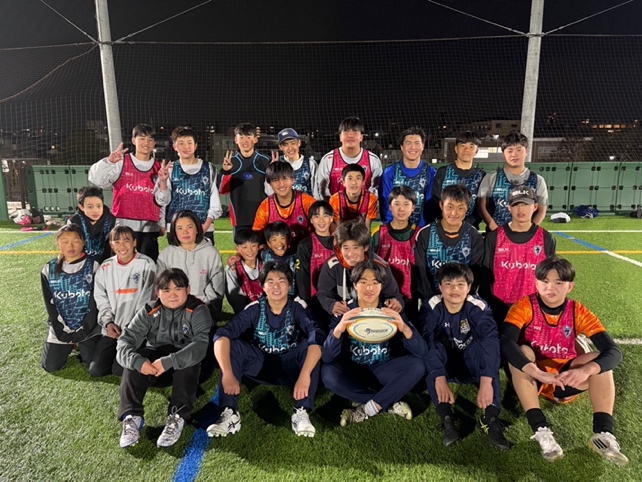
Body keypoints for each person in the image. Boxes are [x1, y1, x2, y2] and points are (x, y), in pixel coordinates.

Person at [501, 257, 628, 465]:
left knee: (599, 361)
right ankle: (541, 430)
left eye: (558, 282)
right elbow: (506, 342)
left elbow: (614, 351)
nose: (550, 287)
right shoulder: (524, 306)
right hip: (533, 377)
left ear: (570, 286)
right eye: (544, 281)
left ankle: (603, 434)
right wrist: (539, 373)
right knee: (522, 351)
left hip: (564, 379)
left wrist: (585, 370)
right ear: (536, 282)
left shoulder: (578, 311)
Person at [207, 261, 324, 438]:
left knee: (311, 344)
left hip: (289, 367)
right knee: (233, 345)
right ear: (262, 286)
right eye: (270, 281)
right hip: (259, 366)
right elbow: (221, 335)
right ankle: (230, 413)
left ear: (289, 285)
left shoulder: (297, 306)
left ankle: (301, 412)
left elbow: (317, 335)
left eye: (282, 281)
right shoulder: (255, 308)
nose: (276, 286)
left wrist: (305, 374)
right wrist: (228, 373)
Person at [321, 260, 426, 426]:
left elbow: (421, 352)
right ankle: (386, 403)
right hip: (354, 371)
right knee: (328, 373)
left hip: (383, 370)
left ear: (382, 285)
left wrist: (404, 327)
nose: (369, 288)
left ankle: (368, 408)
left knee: (418, 365)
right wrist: (339, 328)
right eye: (363, 282)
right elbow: (327, 357)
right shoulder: (345, 311)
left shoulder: (390, 309)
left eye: (375, 282)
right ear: (354, 285)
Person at [117, 268, 213, 448]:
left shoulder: (198, 309)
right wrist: (138, 362)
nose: (172, 295)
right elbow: (125, 340)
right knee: (135, 360)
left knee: (188, 361)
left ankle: (177, 416)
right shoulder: (149, 309)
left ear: (188, 289)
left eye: (178, 288)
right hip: (157, 368)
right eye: (166, 290)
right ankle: (132, 417)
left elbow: (200, 346)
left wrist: (169, 361)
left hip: (194, 368)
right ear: (157, 293)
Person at [420, 263, 509, 450]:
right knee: (432, 351)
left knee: (485, 351)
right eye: (448, 284)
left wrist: (486, 380)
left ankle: (490, 418)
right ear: (440, 286)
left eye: (460, 284)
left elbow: (490, 341)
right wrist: (439, 376)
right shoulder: (432, 304)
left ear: (469, 287)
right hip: (445, 365)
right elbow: (428, 342)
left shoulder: (478, 306)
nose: (454, 289)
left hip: (470, 362)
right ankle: (447, 418)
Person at [88, 124, 166, 261]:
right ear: (133, 140)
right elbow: (97, 180)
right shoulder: (121, 162)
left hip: (149, 228)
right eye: (142, 138)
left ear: (154, 143)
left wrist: (162, 223)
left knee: (148, 267)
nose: (146, 143)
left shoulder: (159, 168)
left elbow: (163, 199)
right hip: (122, 226)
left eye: (150, 140)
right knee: (120, 266)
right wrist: (109, 162)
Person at [482, 185, 556, 325]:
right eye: (516, 205)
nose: (521, 209)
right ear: (509, 207)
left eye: (525, 204)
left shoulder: (546, 239)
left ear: (535, 207)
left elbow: (551, 277)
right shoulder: (494, 237)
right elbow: (485, 277)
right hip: (499, 308)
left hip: (532, 309)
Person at [90, 226, 156, 377]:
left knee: (119, 370)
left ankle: (142, 349)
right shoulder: (105, 267)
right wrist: (108, 323)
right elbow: (101, 299)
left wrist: (133, 327)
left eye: (126, 240)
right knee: (96, 370)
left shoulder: (147, 264)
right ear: (111, 245)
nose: (122, 245)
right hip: (113, 328)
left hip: (136, 329)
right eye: (117, 241)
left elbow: (149, 300)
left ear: (134, 242)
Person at [40, 224, 100, 372]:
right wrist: (62, 330)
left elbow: (95, 303)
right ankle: (70, 344)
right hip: (62, 327)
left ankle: (82, 344)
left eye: (76, 241)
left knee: (95, 366)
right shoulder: (48, 269)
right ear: (58, 243)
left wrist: (84, 329)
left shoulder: (94, 266)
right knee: (51, 366)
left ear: (83, 242)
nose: (70, 246)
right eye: (65, 241)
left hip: (89, 327)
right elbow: (50, 305)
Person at [317, 220, 404, 318]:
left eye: (355, 247)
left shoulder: (381, 266)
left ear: (365, 247)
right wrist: (331, 305)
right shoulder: (331, 266)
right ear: (339, 248)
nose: (350, 253)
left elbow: (394, 296)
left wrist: (396, 303)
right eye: (346, 248)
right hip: (343, 317)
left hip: (375, 317)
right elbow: (323, 294)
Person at [414, 185, 484, 303]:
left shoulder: (474, 235)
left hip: (463, 303)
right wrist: (432, 301)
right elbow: (421, 274)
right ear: (441, 205)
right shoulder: (425, 234)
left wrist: (463, 301)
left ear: (467, 208)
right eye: (449, 207)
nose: (454, 213)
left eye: (460, 208)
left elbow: (475, 273)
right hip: (432, 302)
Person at [157, 126, 222, 242]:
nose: (186, 147)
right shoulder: (170, 169)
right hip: (176, 229)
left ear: (195, 145)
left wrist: (204, 227)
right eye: (181, 143)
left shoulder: (209, 168)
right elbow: (162, 201)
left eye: (189, 143)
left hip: (204, 227)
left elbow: (215, 201)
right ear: (174, 146)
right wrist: (162, 181)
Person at [157, 210, 224, 322]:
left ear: (197, 229)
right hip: (173, 309)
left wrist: (204, 302)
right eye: (179, 228)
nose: (185, 232)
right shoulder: (166, 255)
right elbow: (160, 285)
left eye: (189, 227)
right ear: (174, 231)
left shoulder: (211, 253)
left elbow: (218, 285)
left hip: (203, 308)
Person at [478, 131, 548, 231]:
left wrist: (528, 232)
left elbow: (541, 211)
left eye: (519, 150)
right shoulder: (491, 178)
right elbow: (482, 208)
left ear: (526, 151)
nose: (514, 154)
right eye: (510, 151)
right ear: (503, 154)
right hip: (495, 235)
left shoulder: (538, 180)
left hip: (525, 236)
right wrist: (497, 232)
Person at [371, 186, 419, 319]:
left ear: (413, 207)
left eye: (406, 204)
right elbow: (369, 265)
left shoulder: (419, 234)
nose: (401, 209)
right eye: (396, 204)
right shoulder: (378, 233)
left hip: (410, 296)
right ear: (390, 207)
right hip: (383, 296)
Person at [218, 123, 270, 234]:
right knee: (242, 245)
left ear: (255, 139)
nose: (245, 141)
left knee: (262, 245)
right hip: (239, 218)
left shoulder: (265, 161)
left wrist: (274, 172)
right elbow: (222, 190)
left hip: (262, 217)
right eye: (241, 137)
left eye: (248, 137)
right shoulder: (231, 162)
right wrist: (226, 171)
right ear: (235, 140)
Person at [379, 126, 435, 228]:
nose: (413, 147)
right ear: (401, 147)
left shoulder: (431, 173)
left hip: (422, 231)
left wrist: (421, 231)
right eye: (408, 143)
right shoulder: (389, 173)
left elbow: (430, 206)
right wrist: (391, 230)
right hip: (394, 230)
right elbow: (385, 205)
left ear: (423, 146)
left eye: (417, 143)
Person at [428, 131, 485, 228]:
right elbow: (435, 200)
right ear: (456, 149)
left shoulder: (481, 176)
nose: (466, 149)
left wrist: (468, 224)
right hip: (444, 227)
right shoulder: (443, 172)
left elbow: (481, 207)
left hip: (469, 228)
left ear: (476, 151)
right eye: (462, 145)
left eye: (471, 146)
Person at [316, 116, 383, 199]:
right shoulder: (328, 159)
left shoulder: (373, 160)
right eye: (346, 132)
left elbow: (376, 190)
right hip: (334, 207)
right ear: (340, 137)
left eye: (355, 132)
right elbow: (321, 191)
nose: (350, 135)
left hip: (365, 207)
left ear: (361, 137)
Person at [252, 161, 316, 247]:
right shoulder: (265, 207)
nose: (281, 184)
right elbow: (256, 236)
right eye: (275, 180)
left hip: (305, 251)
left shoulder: (307, 202)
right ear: (269, 183)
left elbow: (323, 227)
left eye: (285, 178)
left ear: (292, 180)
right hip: (277, 251)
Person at [295, 200, 335, 326]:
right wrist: (307, 304)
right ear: (311, 220)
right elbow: (302, 276)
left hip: (336, 303)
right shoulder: (305, 245)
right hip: (314, 303)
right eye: (316, 216)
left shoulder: (340, 243)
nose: (321, 220)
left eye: (325, 215)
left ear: (332, 218)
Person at [67, 186, 116, 263]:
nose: (95, 210)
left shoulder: (110, 219)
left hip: (106, 263)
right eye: (90, 207)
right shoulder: (74, 222)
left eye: (99, 206)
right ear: (81, 207)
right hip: (82, 263)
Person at [328, 164, 378, 231]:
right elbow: (338, 228)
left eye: (358, 178)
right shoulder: (335, 200)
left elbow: (367, 227)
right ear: (343, 182)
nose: (354, 182)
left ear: (363, 182)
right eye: (350, 178)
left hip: (361, 234)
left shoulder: (371, 199)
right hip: (342, 233)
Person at [271, 128, 318, 196]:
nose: (290, 148)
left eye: (293, 143)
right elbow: (270, 191)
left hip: (306, 202)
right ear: (280, 147)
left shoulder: (310, 164)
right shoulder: (276, 164)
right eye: (285, 145)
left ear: (299, 143)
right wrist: (272, 172)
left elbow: (316, 191)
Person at [226, 228, 263, 314]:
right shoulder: (233, 269)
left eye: (253, 246)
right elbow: (234, 295)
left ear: (258, 247)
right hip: (245, 315)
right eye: (244, 247)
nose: (250, 250)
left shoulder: (265, 265)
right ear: (237, 249)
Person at [260, 221, 298, 295]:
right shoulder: (264, 255)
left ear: (289, 240)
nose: (279, 243)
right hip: (272, 296)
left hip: (292, 296)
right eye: (274, 239)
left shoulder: (295, 256)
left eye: (282, 238)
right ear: (268, 243)